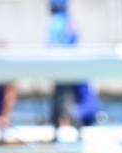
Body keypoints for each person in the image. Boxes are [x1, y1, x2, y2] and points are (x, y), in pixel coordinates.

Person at [47, 0, 100, 133]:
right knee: (68, 103)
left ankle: (60, 129)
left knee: (62, 105)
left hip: (63, 72)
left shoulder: (56, 22)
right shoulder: (70, 21)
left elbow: (52, 47)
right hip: (73, 69)